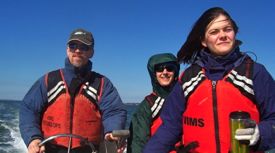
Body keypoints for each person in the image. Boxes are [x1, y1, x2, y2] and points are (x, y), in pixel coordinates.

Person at [143, 7, 275, 153]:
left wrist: (261, 133)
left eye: (227, 29)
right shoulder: (188, 77)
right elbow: (169, 127)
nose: (223, 35)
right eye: (214, 32)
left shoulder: (255, 72)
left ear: (235, 33)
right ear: (204, 41)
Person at [19, 28, 127, 153]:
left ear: (91, 52)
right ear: (67, 50)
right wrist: (33, 138)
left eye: (84, 47)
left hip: (89, 149)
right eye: (73, 45)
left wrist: (112, 131)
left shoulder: (102, 83)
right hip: (49, 148)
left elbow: (114, 111)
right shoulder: (49, 80)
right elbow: (29, 109)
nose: (77, 50)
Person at [127, 53, 180, 153]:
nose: (165, 72)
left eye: (169, 68)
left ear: (175, 72)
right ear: (154, 74)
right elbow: (138, 142)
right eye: (159, 69)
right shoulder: (147, 106)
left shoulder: (186, 98)